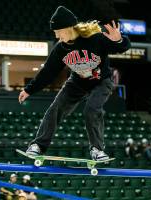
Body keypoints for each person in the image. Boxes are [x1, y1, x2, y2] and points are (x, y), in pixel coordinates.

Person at [18, 6, 131, 161]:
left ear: (68, 27)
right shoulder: (61, 49)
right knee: (55, 108)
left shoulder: (95, 38)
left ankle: (97, 150)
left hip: (101, 81)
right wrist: (29, 90)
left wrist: (119, 39)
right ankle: (38, 145)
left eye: (58, 31)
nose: (57, 35)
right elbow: (48, 72)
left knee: (92, 109)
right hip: (77, 83)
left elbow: (121, 48)